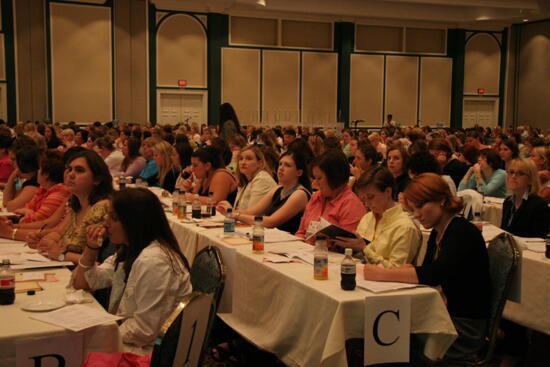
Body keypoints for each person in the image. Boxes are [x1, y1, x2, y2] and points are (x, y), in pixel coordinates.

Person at [363, 173, 490, 362]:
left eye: (421, 206)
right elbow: (429, 271)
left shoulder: (461, 232)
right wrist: (404, 271)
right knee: (382, 331)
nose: (416, 214)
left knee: (388, 337)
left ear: (442, 200)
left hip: (463, 326)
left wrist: (384, 274)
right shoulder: (439, 232)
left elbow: (433, 274)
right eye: (413, 209)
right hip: (444, 315)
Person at [73, 188, 192, 354]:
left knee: (72, 348)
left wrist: (100, 335)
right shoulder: (130, 249)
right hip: (131, 339)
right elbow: (82, 282)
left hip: (147, 352)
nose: (105, 223)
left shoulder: (154, 262)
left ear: (135, 222)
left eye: (113, 218)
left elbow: (144, 330)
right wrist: (91, 247)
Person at [16, 150, 113, 263]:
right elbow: (59, 233)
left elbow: (96, 262)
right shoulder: (76, 204)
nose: (70, 174)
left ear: (97, 179)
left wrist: (61, 255)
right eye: (69, 169)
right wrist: (43, 241)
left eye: (79, 170)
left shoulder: (102, 208)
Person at [332, 168, 421, 267]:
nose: (366, 203)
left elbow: (397, 270)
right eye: (363, 199)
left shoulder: (405, 227)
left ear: (388, 191)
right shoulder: (367, 218)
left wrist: (364, 249)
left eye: (370, 197)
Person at [217, 150, 311, 234]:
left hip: (290, 245)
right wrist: (229, 210)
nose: (281, 168)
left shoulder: (300, 194)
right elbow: (252, 212)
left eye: (287, 165)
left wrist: (235, 215)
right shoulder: (278, 189)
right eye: (280, 164)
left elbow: (271, 222)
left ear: (299, 172)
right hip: (273, 239)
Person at [296, 151, 366, 239]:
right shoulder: (316, 197)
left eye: (319, 178)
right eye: (315, 178)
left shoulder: (352, 206)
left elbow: (344, 245)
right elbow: (301, 232)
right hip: (302, 250)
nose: (315, 183)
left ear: (334, 178)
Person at [16, 151, 70, 224]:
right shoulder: (43, 189)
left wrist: (28, 214)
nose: (37, 171)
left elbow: (35, 221)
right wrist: (28, 212)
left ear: (46, 174)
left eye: (39, 169)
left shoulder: (59, 193)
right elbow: (23, 209)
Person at [501, 158, 550, 238]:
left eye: (520, 173)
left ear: (530, 179)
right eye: (511, 172)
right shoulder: (508, 202)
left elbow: (538, 240)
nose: (513, 176)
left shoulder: (539, 206)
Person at [233, 145, 277, 210]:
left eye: (249, 159)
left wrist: (229, 210)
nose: (243, 162)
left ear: (260, 163)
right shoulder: (246, 180)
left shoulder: (262, 179)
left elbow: (251, 213)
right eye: (241, 159)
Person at [2, 145, 40, 212]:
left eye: (13, 160)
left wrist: (12, 177)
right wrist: (12, 178)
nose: (11, 162)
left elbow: (9, 206)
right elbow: (7, 201)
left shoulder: (33, 183)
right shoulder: (28, 180)